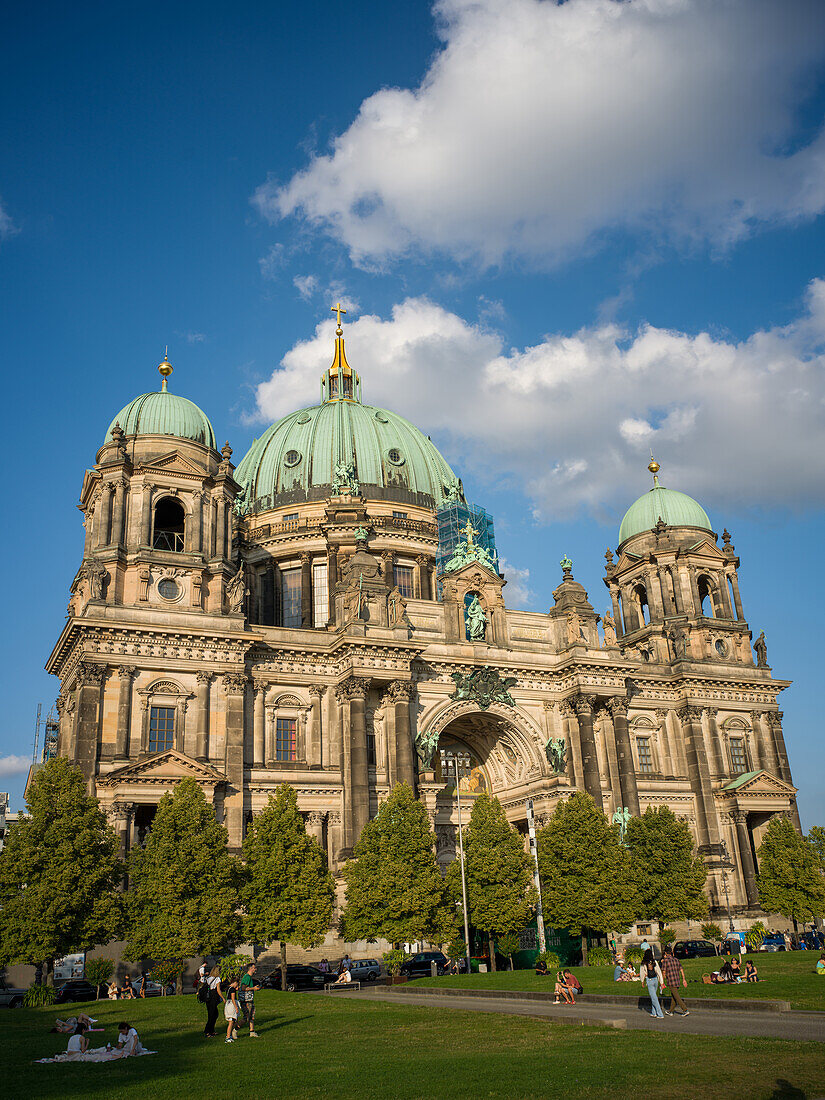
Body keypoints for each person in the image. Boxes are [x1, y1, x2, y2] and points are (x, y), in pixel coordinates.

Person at [660, 946, 690, 1017]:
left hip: (671, 981)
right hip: (677, 980)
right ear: (671, 952)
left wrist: (662, 981)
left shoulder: (665, 961)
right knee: (674, 996)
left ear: (665, 953)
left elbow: (663, 972)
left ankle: (685, 1009)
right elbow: (681, 970)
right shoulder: (676, 960)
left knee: (677, 997)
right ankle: (671, 1011)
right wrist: (684, 979)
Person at [640, 949, 665, 1019]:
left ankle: (660, 1014)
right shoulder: (654, 962)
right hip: (655, 980)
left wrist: (642, 981)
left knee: (654, 998)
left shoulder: (643, 963)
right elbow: (659, 972)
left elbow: (642, 973)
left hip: (650, 980)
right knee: (654, 997)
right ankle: (654, 1012)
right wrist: (661, 982)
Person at [239, 963, 261, 1038]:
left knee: (251, 1016)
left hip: (249, 1000)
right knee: (246, 1017)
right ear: (250, 969)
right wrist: (253, 988)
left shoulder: (249, 977)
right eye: (254, 968)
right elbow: (243, 988)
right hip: (245, 1000)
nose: (255, 969)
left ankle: (252, 1031)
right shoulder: (247, 977)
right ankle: (234, 1030)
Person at [204, 966, 223, 1038]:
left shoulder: (209, 978)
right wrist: (223, 998)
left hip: (208, 997)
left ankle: (211, 1030)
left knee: (212, 1014)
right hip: (213, 996)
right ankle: (208, 1031)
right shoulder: (217, 979)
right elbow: (218, 990)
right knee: (213, 1015)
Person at [224, 978, 239, 1043]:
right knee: (231, 1022)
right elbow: (233, 998)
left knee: (233, 1021)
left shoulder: (228, 988)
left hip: (228, 1004)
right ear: (235, 982)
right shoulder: (232, 989)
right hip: (231, 1006)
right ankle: (228, 1037)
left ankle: (229, 1035)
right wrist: (236, 1007)